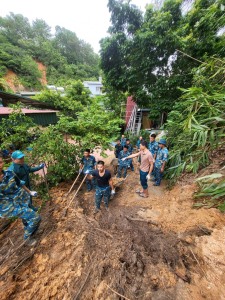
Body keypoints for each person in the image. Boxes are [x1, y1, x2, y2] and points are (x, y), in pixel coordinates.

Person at [0, 154, 41, 245]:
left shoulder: (9, 173)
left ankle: (29, 230)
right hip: (11, 207)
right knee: (36, 217)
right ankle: (27, 238)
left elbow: (19, 183)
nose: (0, 165)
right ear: (13, 159)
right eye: (20, 158)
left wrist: (29, 192)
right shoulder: (13, 168)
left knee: (27, 217)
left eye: (1, 162)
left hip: (21, 199)